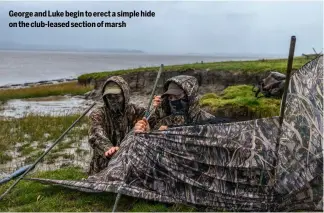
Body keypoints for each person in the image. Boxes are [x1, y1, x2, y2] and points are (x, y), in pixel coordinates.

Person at [87, 76, 146, 175]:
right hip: (105, 163)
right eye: (109, 97)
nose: (113, 100)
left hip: (130, 159)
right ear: (104, 97)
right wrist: (108, 148)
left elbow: (155, 123)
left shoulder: (137, 111)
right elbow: (95, 132)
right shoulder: (99, 113)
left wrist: (160, 106)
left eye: (117, 96)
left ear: (125, 95)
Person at [134, 75, 215, 133]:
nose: (173, 101)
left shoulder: (209, 121)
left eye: (178, 96)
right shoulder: (164, 121)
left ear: (191, 97)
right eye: (170, 98)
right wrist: (148, 134)